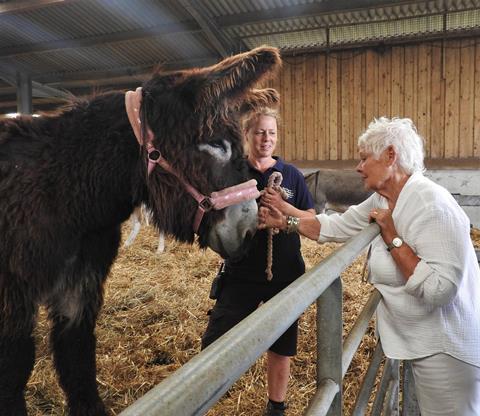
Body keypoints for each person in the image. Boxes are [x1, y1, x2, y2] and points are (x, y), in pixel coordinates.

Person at [258, 116, 480, 416]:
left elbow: (439, 290)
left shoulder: (432, 205)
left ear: (390, 155)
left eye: (364, 159)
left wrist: (392, 237)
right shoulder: (385, 197)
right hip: (426, 345)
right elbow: (337, 227)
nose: (358, 167)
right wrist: (286, 222)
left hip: (448, 349)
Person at [201, 107, 315, 416]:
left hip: (285, 272)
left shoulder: (291, 175)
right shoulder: (233, 172)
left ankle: (276, 406)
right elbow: (213, 214)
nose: (266, 138)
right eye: (260, 132)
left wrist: (282, 212)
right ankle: (203, 399)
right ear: (248, 135)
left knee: (281, 344)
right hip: (241, 271)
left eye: (272, 133)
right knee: (216, 338)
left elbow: (311, 219)